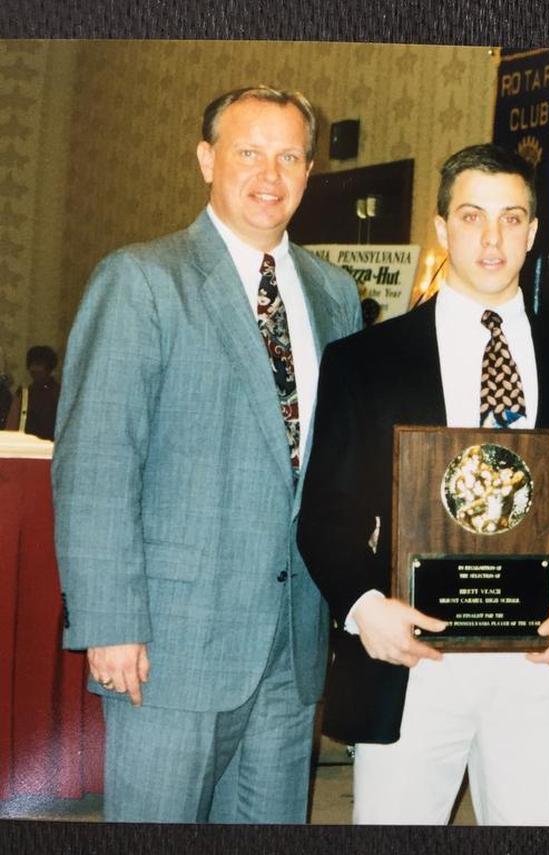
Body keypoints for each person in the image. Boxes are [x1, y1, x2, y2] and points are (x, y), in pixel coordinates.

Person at [297, 143, 549, 826]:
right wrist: (367, 607)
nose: (492, 238)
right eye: (472, 216)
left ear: (534, 232)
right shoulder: (364, 360)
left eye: (511, 219)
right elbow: (324, 516)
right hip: (413, 657)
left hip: (540, 664)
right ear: (441, 226)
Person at [52, 85, 361, 823]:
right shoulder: (143, 280)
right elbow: (96, 464)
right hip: (169, 645)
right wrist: (109, 621)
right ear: (205, 160)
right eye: (248, 152)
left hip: (291, 646)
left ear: (309, 171)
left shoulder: (335, 293)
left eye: (289, 156)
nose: (270, 174)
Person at [4, 345, 61, 439]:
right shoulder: (24, 392)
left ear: (49, 367)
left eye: (38, 364)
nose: (33, 369)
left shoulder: (58, 393)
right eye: (31, 364)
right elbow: (12, 423)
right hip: (26, 445)